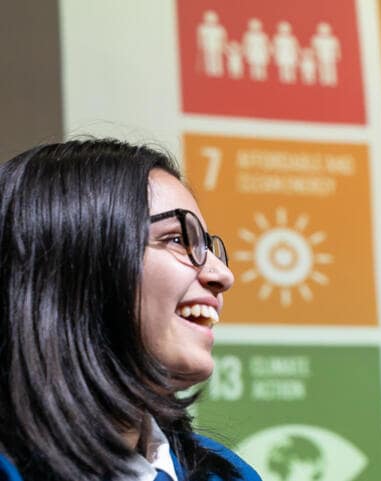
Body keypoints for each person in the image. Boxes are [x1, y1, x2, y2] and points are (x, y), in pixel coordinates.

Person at [0, 139, 261, 480]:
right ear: (74, 267)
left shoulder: (225, 473)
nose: (222, 275)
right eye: (179, 240)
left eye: (207, 246)